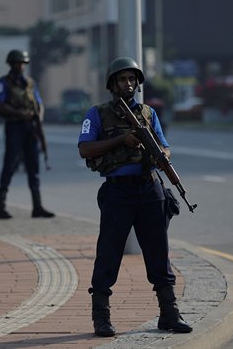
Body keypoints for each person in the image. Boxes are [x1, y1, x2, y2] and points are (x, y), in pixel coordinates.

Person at [78, 57, 192, 337]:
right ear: (112, 84)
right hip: (118, 190)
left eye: (132, 79)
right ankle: (101, 318)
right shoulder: (97, 113)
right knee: (109, 253)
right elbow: (85, 149)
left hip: (149, 187)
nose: (128, 84)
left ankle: (169, 313)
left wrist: (161, 155)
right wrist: (121, 140)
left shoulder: (148, 114)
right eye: (122, 79)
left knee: (158, 252)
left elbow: (165, 147)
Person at [0, 49, 54, 219]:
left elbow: (38, 102)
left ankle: (37, 206)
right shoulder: (3, 83)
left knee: (33, 166)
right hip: (14, 127)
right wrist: (20, 114)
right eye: (17, 63)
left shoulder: (29, 83)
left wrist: (38, 118)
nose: (20, 66)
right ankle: (2, 206)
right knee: (10, 164)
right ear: (11, 64)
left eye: (22, 63)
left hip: (31, 127)